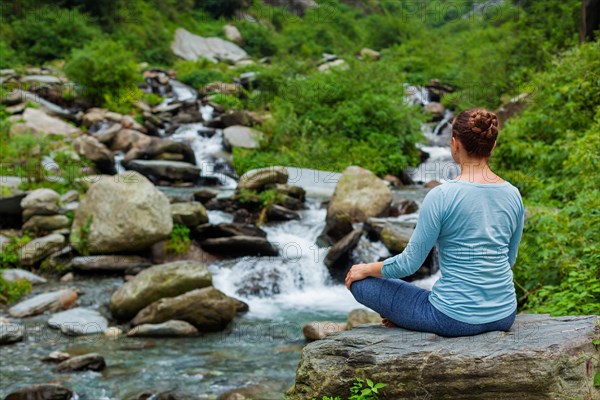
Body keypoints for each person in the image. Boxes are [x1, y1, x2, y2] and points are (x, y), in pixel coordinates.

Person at [345, 108, 524, 337]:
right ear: (493, 146)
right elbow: (509, 259)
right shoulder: (513, 194)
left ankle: (408, 317)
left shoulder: (441, 196)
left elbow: (409, 265)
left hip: (452, 319)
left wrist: (365, 268)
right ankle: (409, 314)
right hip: (504, 314)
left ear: (455, 144)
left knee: (361, 283)